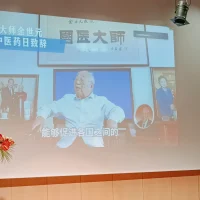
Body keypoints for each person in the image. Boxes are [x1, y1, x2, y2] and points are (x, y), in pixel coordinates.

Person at [32, 71, 125, 148]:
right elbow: (49, 107)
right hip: (66, 147)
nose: (77, 82)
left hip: (94, 149)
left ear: (91, 86)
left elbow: (117, 110)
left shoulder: (101, 101)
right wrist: (41, 116)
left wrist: (112, 120)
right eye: (76, 79)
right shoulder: (67, 99)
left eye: (82, 80)